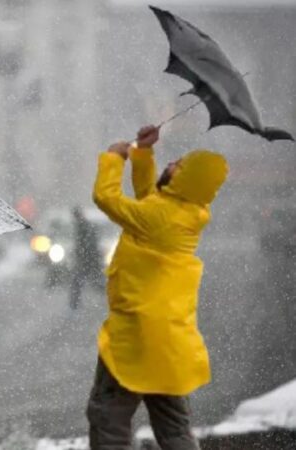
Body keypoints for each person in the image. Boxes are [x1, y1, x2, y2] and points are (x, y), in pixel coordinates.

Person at [87, 125, 228, 449]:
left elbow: (105, 198)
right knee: (174, 429)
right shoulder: (187, 211)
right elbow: (149, 198)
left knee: (108, 418)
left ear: (185, 181)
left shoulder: (159, 217)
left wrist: (113, 158)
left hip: (137, 336)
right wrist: (142, 153)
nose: (171, 165)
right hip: (170, 342)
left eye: (178, 165)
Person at [69, 205, 103, 309]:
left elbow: (87, 244)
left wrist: (82, 254)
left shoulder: (83, 226)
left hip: (88, 259)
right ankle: (74, 303)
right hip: (89, 259)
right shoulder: (83, 225)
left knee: (79, 281)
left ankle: (74, 304)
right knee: (93, 281)